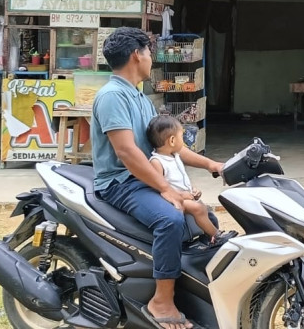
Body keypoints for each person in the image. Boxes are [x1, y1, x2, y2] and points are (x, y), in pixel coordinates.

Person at [92, 28, 225, 329]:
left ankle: (195, 293)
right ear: (136, 55)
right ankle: (161, 301)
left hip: (142, 179)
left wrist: (213, 165)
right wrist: (166, 189)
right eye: (150, 53)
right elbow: (126, 152)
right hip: (120, 182)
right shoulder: (112, 96)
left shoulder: (140, 98)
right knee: (170, 219)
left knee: (207, 220)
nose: (152, 59)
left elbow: (171, 148)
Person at [147, 114, 232, 245]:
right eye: (182, 136)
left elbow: (180, 178)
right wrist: (181, 194)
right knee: (198, 209)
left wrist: (191, 189)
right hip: (171, 201)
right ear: (172, 141)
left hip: (183, 196)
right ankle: (216, 235)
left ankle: (207, 240)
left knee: (203, 208)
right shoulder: (157, 162)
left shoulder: (174, 156)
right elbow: (158, 187)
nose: (184, 140)